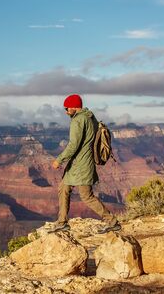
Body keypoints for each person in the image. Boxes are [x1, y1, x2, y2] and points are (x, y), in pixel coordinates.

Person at [48, 93, 121, 234]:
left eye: (67, 108)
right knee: (63, 188)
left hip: (81, 164)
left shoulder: (78, 120)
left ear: (74, 107)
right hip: (79, 163)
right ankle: (62, 222)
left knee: (86, 196)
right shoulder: (90, 117)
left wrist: (59, 159)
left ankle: (112, 221)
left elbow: (73, 145)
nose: (66, 111)